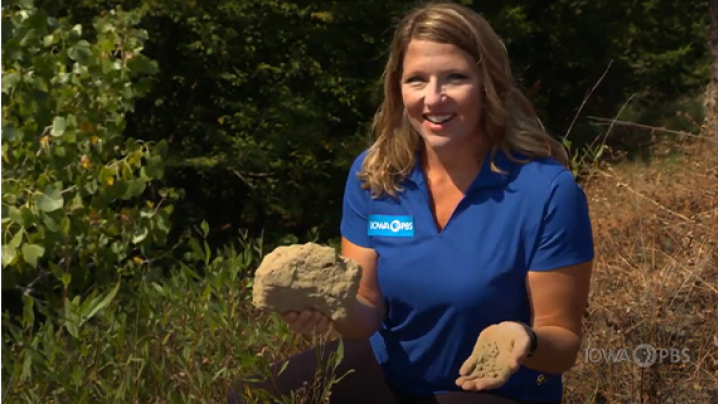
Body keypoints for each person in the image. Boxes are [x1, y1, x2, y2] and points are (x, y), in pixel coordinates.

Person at [228, 1, 594, 403]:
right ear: (397, 88)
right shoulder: (375, 175)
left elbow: (564, 345)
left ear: (489, 83)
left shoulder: (546, 191)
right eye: (417, 80)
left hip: (492, 391)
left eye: (454, 78)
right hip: (391, 376)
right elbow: (365, 310)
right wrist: (332, 305)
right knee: (248, 397)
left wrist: (526, 339)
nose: (433, 99)